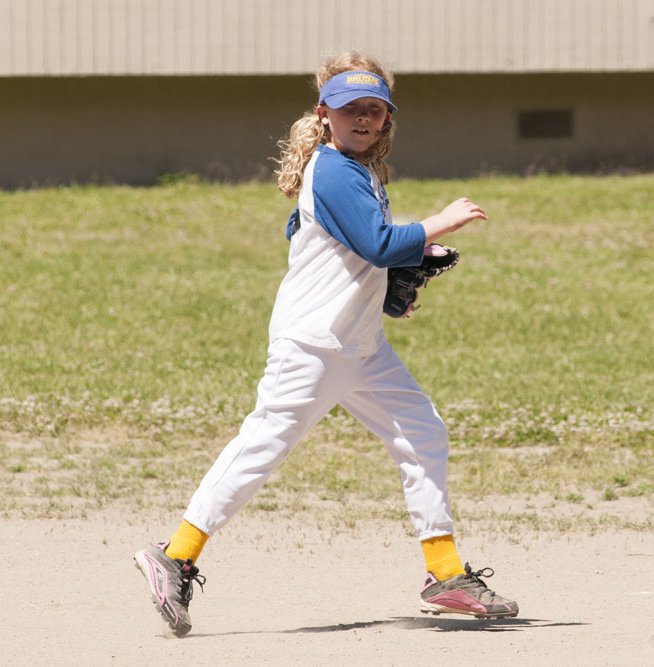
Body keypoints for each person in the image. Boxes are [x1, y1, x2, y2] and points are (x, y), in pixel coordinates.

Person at [133, 50, 518, 637]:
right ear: (324, 114)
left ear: (387, 119)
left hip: (360, 347)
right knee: (261, 449)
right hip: (313, 345)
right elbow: (379, 244)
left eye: (374, 109)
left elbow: (355, 253)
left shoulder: (358, 173)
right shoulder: (334, 168)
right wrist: (441, 222)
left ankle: (445, 574)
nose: (362, 118)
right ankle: (176, 555)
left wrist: (397, 283)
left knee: (422, 431)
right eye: (349, 109)